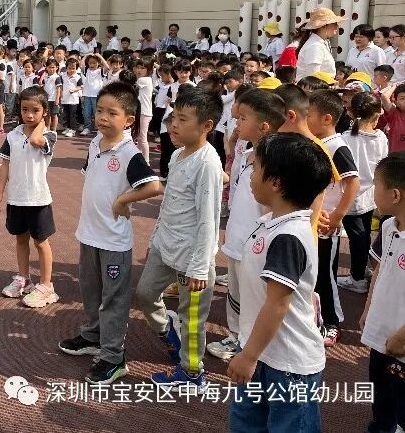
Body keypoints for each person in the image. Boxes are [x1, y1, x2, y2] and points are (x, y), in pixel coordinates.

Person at [227, 133, 332, 433]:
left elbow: (277, 304)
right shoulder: (273, 224)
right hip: (260, 350)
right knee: (246, 425)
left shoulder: (288, 236)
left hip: (287, 364)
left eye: (256, 167)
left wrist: (248, 356)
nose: (250, 173)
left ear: (276, 183)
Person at [58, 82, 162, 384]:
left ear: (128, 120)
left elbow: (153, 186)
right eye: (100, 111)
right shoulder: (95, 143)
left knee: (113, 299)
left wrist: (123, 200)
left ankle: (114, 357)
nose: (103, 117)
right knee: (90, 291)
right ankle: (92, 336)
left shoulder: (129, 153)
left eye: (111, 113)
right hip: (89, 234)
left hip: (114, 241)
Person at [137, 88, 225, 391]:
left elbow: (209, 219)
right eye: (174, 117)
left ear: (206, 126)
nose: (174, 124)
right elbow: (170, 202)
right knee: (146, 293)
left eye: (183, 119)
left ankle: (192, 372)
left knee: (192, 319)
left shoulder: (208, 164)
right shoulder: (177, 155)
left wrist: (200, 268)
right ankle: (167, 330)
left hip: (192, 259)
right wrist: (156, 237)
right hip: (165, 246)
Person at [207, 89, 286, 362]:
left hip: (257, 244)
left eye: (243, 118)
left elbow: (272, 208)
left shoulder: (273, 160)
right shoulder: (248, 152)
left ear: (264, 126)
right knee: (236, 294)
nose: (236, 123)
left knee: (254, 298)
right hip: (238, 237)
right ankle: (236, 336)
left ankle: (250, 344)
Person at [0, 86, 59, 308]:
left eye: (35, 110)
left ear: (45, 112)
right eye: (24, 109)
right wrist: (0, 192)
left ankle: (47, 286)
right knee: (20, 239)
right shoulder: (12, 135)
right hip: (16, 198)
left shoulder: (49, 135)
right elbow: (5, 165)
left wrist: (42, 123)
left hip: (38, 199)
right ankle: (24, 279)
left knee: (41, 242)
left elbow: (35, 141)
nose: (29, 115)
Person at [305, 89, 358, 346]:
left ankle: (332, 321)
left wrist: (337, 216)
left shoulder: (337, 146)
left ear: (326, 118)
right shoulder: (316, 142)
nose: (305, 119)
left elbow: (353, 182)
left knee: (325, 274)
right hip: (313, 219)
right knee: (313, 270)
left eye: (309, 114)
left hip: (326, 224)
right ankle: (315, 316)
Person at [360, 152, 405, 433]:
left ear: (395, 195)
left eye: (376, 185)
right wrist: (368, 310)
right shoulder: (388, 227)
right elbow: (378, 271)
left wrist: (402, 337)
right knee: (382, 405)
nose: (372, 191)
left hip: (401, 344)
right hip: (381, 338)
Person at [339, 92, 388, 294]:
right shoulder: (380, 137)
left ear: (351, 112)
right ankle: (361, 271)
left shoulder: (345, 138)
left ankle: (358, 278)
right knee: (364, 235)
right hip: (370, 196)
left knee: (358, 238)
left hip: (350, 196)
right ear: (376, 116)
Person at [295, 8, 344, 81]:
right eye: (334, 23)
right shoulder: (315, 46)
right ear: (324, 26)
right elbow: (314, 77)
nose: (337, 26)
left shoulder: (321, 43)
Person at [133, 56, 155, 163]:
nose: (139, 70)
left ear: (148, 70)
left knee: (142, 138)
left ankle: (146, 161)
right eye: (138, 67)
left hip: (144, 112)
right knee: (140, 137)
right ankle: (139, 157)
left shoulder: (143, 80)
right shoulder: (146, 79)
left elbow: (132, 85)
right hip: (142, 112)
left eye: (142, 68)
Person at [60, 58, 83, 137]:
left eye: (73, 68)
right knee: (66, 114)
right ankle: (68, 127)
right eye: (70, 68)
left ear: (76, 68)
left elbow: (80, 86)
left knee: (73, 114)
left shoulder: (77, 77)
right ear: (66, 68)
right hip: (65, 98)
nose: (71, 70)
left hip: (73, 99)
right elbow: (60, 86)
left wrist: (74, 89)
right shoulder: (63, 76)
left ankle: (73, 129)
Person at [380, 83, 405, 153]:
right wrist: (395, 86)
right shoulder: (394, 114)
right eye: (402, 98)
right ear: (396, 102)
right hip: (395, 157)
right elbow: (384, 96)